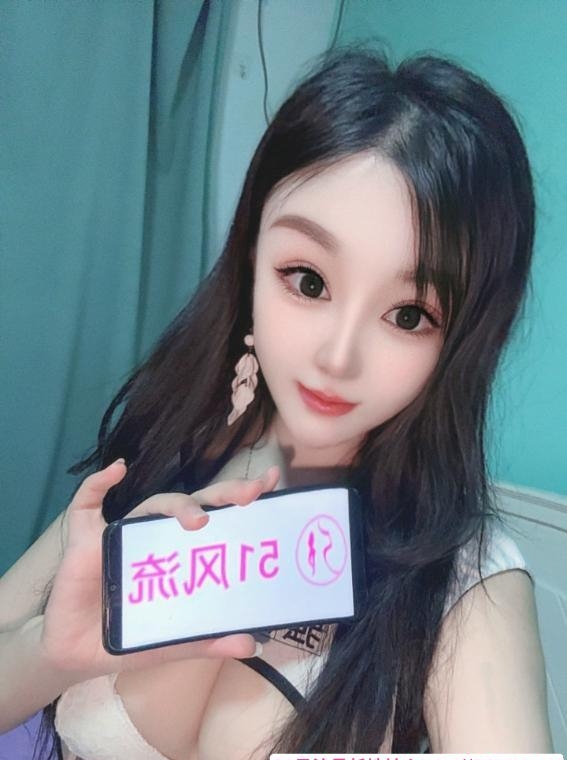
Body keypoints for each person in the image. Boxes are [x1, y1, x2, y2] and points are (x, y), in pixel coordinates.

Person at [0, 46, 554, 759]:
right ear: (251, 260)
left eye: (410, 315)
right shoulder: (165, 445)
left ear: (463, 341)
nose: (338, 357)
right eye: (308, 281)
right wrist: (52, 654)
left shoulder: (462, 582)